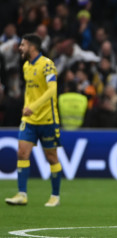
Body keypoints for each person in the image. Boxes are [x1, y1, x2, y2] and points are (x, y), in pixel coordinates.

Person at [5, 34, 62, 207]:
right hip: (29, 119)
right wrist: (27, 108)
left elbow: (52, 90)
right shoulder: (26, 66)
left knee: (51, 157)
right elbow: (30, 92)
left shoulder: (47, 64)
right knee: (22, 153)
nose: (20, 48)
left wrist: (34, 106)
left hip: (47, 119)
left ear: (32, 47)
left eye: (23, 45)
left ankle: (55, 196)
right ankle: (22, 194)